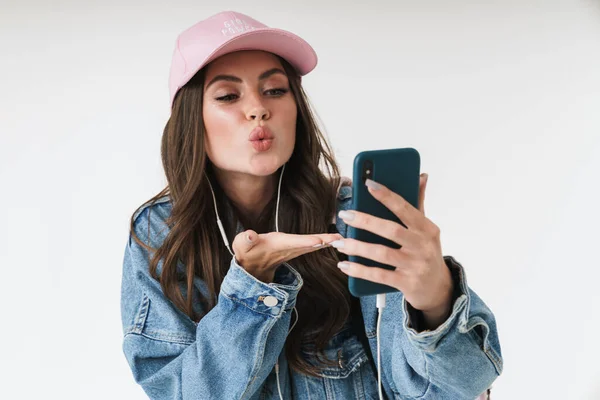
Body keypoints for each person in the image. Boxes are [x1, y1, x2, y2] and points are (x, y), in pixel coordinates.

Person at [120, 10, 502, 400]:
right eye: (228, 96)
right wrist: (251, 289)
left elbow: (459, 390)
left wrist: (434, 299)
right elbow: (179, 394)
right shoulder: (160, 234)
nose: (257, 109)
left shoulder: (354, 216)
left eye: (274, 90)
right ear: (190, 121)